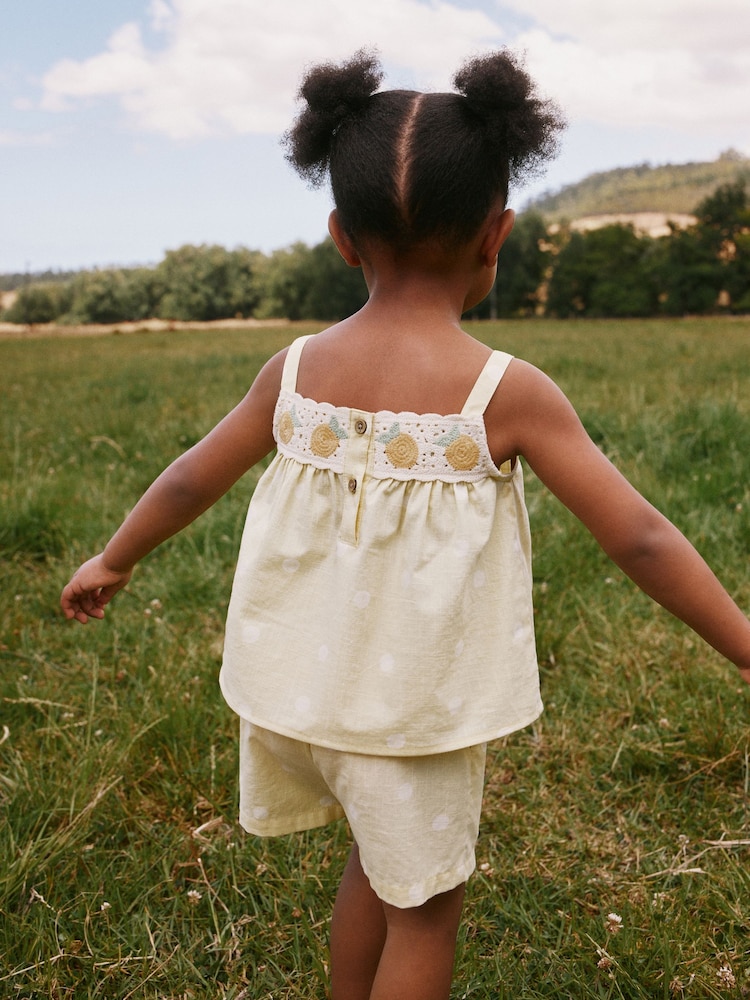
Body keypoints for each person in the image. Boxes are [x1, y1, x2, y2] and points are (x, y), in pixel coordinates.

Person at [60, 49, 750, 1000]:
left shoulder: (295, 370)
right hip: (413, 716)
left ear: (342, 238)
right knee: (426, 913)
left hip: (303, 697)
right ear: (497, 234)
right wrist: (743, 645)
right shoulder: (505, 391)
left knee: (378, 869)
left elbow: (188, 479)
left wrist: (115, 556)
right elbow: (638, 537)